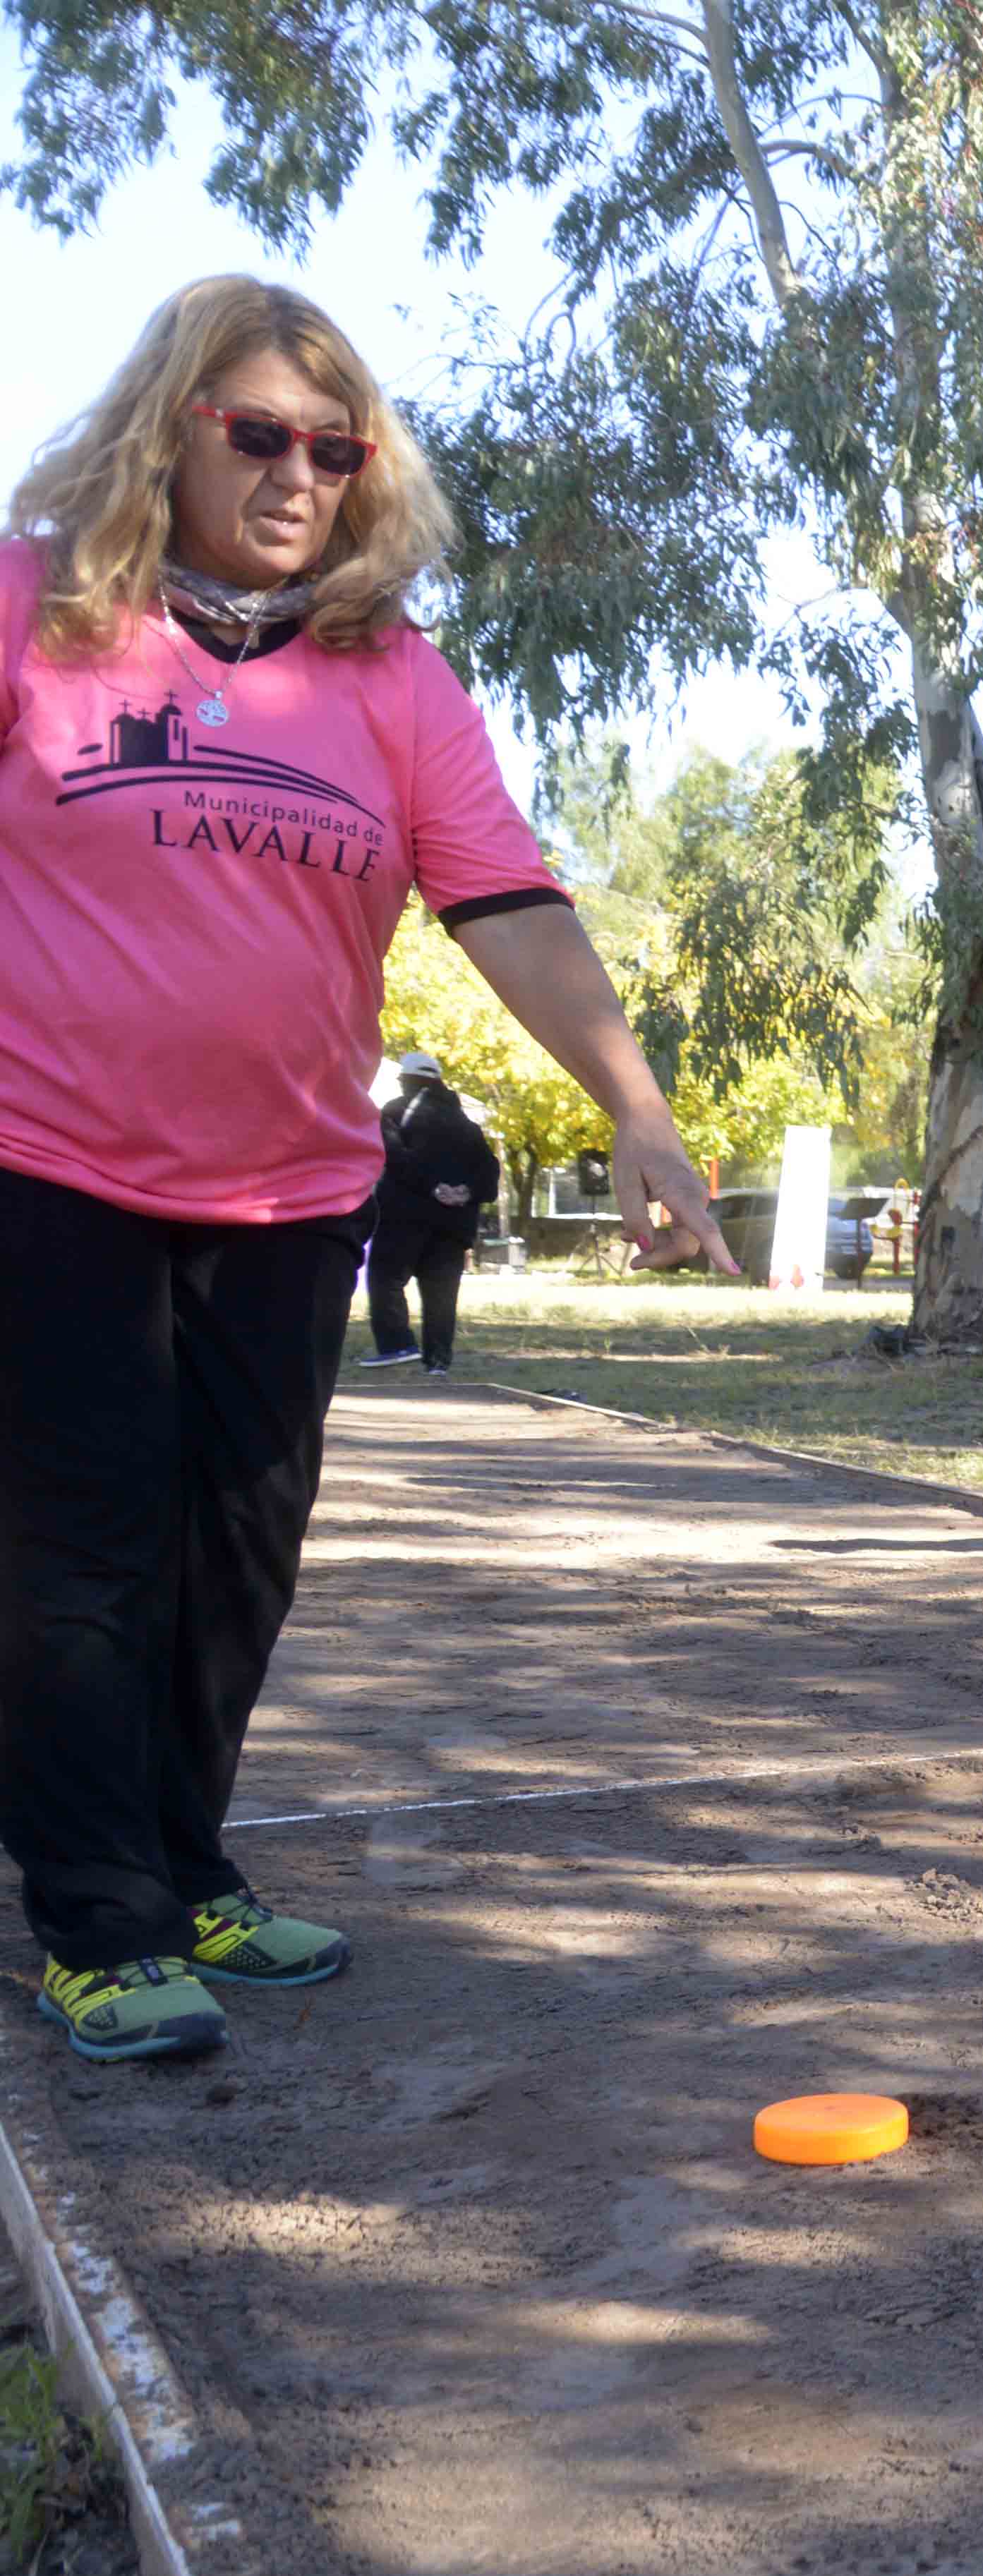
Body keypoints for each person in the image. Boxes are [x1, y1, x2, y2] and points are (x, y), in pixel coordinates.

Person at [1, 276, 733, 2064]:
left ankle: (184, 1862)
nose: (296, 475)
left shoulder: (387, 674)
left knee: (238, 1546)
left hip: (289, 1192)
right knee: (78, 1549)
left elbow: (509, 903)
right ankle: (94, 1916)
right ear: (168, 427)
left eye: (334, 450)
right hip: (49, 1168)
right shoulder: (31, 606)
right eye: (256, 434)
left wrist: (636, 1105)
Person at [358, 1051, 500, 1374]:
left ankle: (397, 1344)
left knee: (386, 1279)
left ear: (404, 1081)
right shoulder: (468, 1124)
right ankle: (438, 1362)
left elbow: (393, 1156)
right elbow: (490, 1171)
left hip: (405, 1219)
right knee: (441, 1294)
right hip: (454, 1224)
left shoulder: (395, 1112)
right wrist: (466, 1191)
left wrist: (433, 1187)